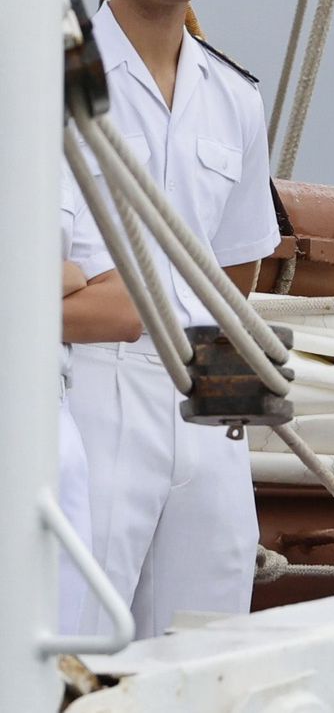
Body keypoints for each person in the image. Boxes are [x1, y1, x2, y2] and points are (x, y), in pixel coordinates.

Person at [67, 0, 280, 638]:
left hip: (200, 397)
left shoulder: (235, 98)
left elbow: (237, 265)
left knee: (207, 638)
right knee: (76, 644)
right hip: (87, 384)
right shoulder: (51, 78)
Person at [58, 175, 142, 634]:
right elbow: (83, 282)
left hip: (49, 420)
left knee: (55, 639)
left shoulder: (54, 152)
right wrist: (63, 277)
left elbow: (123, 309)